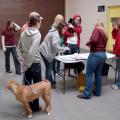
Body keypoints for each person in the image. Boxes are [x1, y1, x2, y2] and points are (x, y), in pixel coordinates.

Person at [17, 15, 42, 111]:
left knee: (27, 87)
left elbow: (18, 49)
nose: (40, 24)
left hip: (26, 65)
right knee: (36, 87)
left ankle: (28, 105)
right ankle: (35, 107)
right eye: (40, 22)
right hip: (34, 64)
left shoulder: (23, 33)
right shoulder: (37, 34)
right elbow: (31, 52)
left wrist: (23, 62)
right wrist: (26, 64)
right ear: (37, 23)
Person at [77, 20, 108, 99]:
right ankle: (98, 92)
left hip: (95, 55)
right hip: (103, 55)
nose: (94, 27)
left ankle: (86, 94)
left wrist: (87, 43)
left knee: (89, 75)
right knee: (98, 74)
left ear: (96, 25)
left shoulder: (97, 30)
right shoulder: (104, 33)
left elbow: (94, 40)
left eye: (94, 25)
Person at [39, 15, 69, 89]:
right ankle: (47, 85)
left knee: (50, 67)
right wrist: (64, 49)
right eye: (64, 29)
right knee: (49, 68)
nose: (65, 31)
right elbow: (55, 46)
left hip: (46, 50)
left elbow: (55, 46)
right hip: (46, 52)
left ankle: (51, 81)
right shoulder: (55, 34)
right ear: (61, 28)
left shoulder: (56, 32)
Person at [111, 20, 120, 89]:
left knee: (119, 69)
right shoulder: (118, 31)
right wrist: (114, 29)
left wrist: (115, 52)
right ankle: (118, 82)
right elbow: (114, 36)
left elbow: (119, 45)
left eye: (114, 25)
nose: (113, 26)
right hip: (118, 53)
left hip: (119, 53)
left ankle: (118, 84)